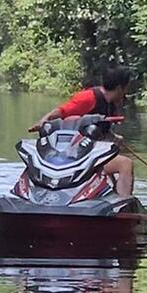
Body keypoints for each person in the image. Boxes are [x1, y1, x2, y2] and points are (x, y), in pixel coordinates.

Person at [29, 67, 135, 196]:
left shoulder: (110, 105)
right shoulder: (89, 97)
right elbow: (62, 111)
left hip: (91, 154)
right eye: (126, 89)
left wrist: (113, 137)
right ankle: (122, 204)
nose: (126, 93)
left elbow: (96, 129)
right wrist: (43, 121)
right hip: (75, 155)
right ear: (119, 88)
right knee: (125, 164)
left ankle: (111, 195)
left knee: (116, 165)